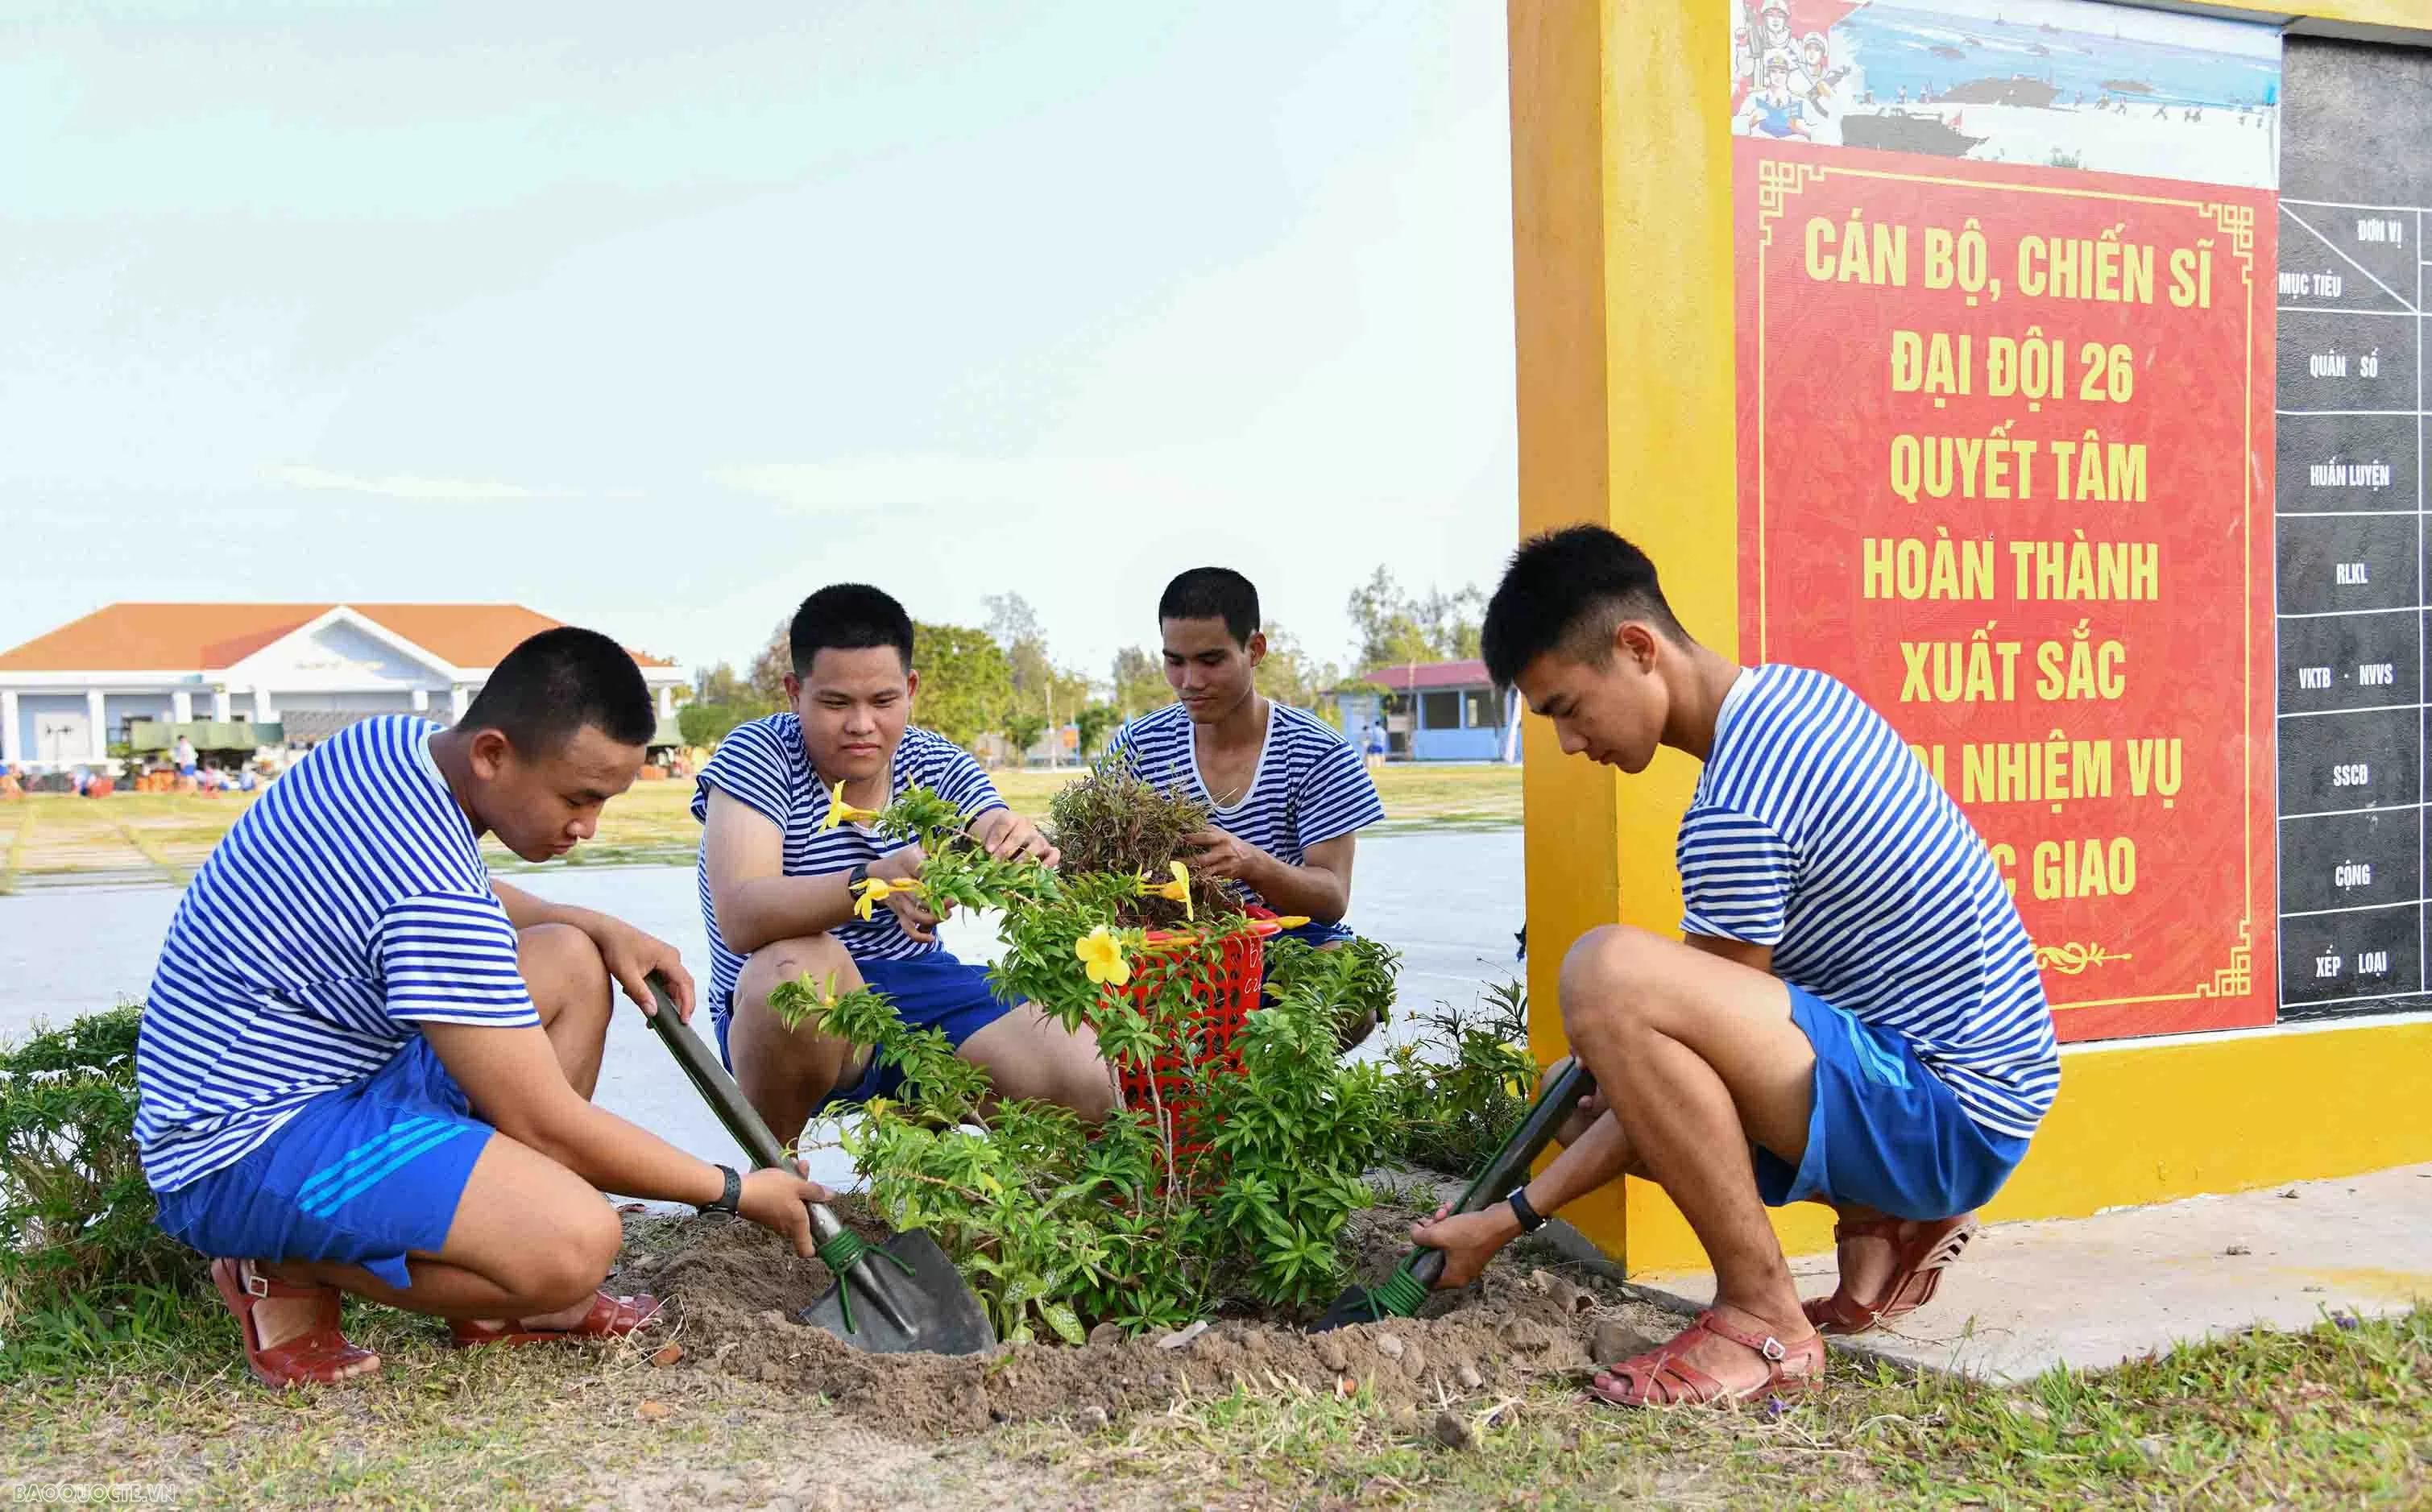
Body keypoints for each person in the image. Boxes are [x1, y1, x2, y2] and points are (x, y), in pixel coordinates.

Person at [1411, 526, 2058, 1407]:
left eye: (1566, 705)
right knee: (1583, 1085)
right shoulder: (1792, 700)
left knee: (1607, 974)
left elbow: (1680, 1057)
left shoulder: (1739, 806)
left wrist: (1512, 1215)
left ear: (1637, 647)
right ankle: (1892, 1221)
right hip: (1971, 1089)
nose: (1568, 741)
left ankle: (1763, 1319)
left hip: (1945, 1110)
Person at [137, 628, 826, 1390]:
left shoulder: (395, 748)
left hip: (333, 1076)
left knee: (567, 956)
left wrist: (598, 924)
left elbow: (457, 893)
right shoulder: (425, 885)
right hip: (242, 1144)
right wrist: (732, 1188)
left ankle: (511, 1286)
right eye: (578, 797)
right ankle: (274, 1260)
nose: (587, 827)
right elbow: (542, 1118)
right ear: (493, 753)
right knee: (574, 1243)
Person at [694, 584, 1112, 1147]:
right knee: (794, 971)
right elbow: (740, 916)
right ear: (795, 692)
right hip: (788, 1004)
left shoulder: (935, 759)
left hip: (917, 989)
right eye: (836, 703)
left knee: (1092, 1080)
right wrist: (872, 884)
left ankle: (950, 1180)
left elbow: (989, 820)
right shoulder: (757, 753)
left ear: (911, 689)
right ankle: (777, 1168)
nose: (862, 724)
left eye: (883, 701)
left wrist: (1010, 841)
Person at [1104, 567, 1388, 1047]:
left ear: (1255, 650)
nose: (1189, 681)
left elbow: (1331, 897)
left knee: (1349, 985)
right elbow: (1095, 868)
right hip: (1171, 947)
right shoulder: (1140, 746)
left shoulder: (1320, 752)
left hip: (1290, 942)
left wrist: (1250, 863)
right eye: (1175, 662)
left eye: (1211, 660)